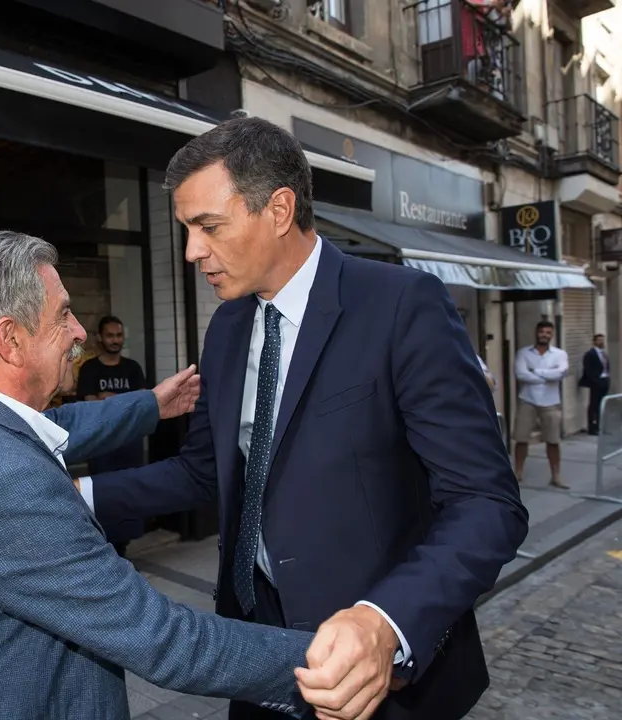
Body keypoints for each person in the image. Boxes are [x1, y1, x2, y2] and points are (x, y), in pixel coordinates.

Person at [82, 117, 528, 720]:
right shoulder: (227, 328)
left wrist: (387, 622)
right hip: (255, 651)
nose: (192, 251)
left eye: (208, 227)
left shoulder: (402, 306)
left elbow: (486, 504)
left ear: (280, 209)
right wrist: (79, 493)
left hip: (373, 672)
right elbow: (203, 474)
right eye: (187, 230)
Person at [0, 230, 314, 720]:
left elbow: (59, 425)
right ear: (10, 339)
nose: (80, 331)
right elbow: (161, 639)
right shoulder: (4, 483)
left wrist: (150, 405)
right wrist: (324, 659)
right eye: (62, 315)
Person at [76, 316, 149, 556]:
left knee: (129, 495)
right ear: (100, 338)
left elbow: (143, 403)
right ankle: (105, 550)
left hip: (130, 444)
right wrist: (124, 401)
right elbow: (90, 405)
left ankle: (123, 550)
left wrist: (108, 398)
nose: (115, 340)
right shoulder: (90, 369)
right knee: (103, 497)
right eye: (110, 335)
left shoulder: (133, 368)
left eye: (118, 335)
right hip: (101, 446)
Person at [513, 320, 568, 487]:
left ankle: (556, 476)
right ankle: (518, 473)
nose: (544, 335)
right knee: (521, 439)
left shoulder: (560, 354)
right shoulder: (524, 353)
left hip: (551, 402)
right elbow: (521, 374)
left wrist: (536, 372)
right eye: (542, 332)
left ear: (552, 334)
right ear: (536, 333)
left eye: (548, 332)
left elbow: (561, 373)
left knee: (553, 440)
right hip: (527, 400)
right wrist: (547, 376)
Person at [579, 333, 610, 436]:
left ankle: (601, 426)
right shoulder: (590, 354)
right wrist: (595, 380)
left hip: (604, 380)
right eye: (599, 340)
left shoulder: (603, 353)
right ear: (595, 342)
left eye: (602, 340)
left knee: (602, 404)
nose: (601, 342)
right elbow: (588, 369)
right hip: (596, 382)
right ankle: (592, 427)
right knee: (594, 405)